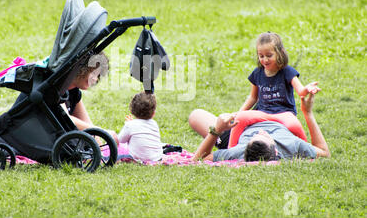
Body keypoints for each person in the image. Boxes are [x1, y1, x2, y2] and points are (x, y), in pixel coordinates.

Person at [227, 32, 321, 148]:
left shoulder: (287, 71)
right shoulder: (257, 73)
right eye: (261, 56)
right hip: (262, 113)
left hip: (284, 113)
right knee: (240, 119)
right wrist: (239, 113)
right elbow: (253, 97)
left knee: (294, 125)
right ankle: (231, 150)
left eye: (269, 55)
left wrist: (307, 88)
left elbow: (300, 91)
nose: (265, 59)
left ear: (280, 53)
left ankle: (306, 151)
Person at [192, 92, 330, 162]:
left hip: (242, 128)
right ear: (276, 151)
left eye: (255, 136)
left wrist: (217, 130)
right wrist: (308, 113)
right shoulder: (293, 146)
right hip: (279, 115)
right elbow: (325, 152)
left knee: (195, 115)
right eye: (264, 135)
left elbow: (199, 159)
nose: (261, 131)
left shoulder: (238, 151)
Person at [117, 92, 164, 162]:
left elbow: (120, 140)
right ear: (153, 113)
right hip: (157, 158)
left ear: (132, 111)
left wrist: (128, 124)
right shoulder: (154, 124)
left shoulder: (130, 125)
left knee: (119, 148)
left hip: (137, 159)